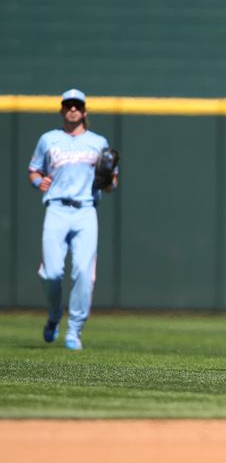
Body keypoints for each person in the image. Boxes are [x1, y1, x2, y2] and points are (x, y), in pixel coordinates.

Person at [28, 89, 119, 350]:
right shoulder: (49, 139)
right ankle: (55, 313)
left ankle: (75, 330)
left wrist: (108, 181)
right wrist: (38, 181)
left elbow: (112, 181)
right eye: (68, 105)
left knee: (83, 273)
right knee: (52, 272)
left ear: (84, 110)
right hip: (56, 209)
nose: (72, 109)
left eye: (77, 105)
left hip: (85, 211)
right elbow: (34, 170)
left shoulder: (97, 141)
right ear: (61, 110)